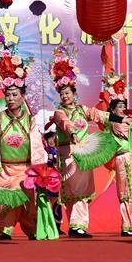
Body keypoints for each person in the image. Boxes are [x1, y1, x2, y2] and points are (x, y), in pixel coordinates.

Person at [0, 35, 48, 240]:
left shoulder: (30, 121)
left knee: (26, 196)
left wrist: (39, 170)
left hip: (25, 168)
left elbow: (37, 146)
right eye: (8, 95)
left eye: (15, 95)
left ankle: (31, 228)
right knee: (7, 196)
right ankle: (5, 228)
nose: (11, 99)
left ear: (22, 96)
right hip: (3, 169)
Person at [51, 49, 109, 238]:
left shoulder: (83, 109)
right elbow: (65, 124)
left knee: (83, 191)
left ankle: (79, 226)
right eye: (63, 94)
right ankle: (75, 225)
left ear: (74, 93)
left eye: (68, 93)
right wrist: (73, 133)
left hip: (84, 154)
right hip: (68, 154)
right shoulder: (59, 112)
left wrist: (119, 119)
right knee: (73, 190)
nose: (65, 96)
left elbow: (101, 116)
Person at [106, 98, 132, 237]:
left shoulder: (128, 122)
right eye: (119, 106)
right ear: (112, 110)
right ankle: (126, 226)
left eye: (124, 106)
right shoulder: (116, 123)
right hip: (124, 158)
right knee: (127, 193)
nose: (122, 109)